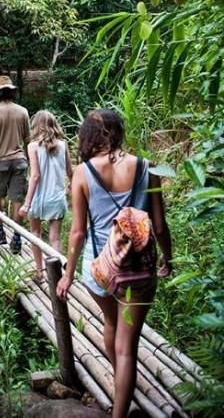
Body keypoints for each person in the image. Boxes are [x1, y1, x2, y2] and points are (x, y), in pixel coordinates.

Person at [55, 109, 173, 418]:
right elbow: (159, 227)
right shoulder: (148, 168)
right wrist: (168, 258)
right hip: (137, 276)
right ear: (119, 132)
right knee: (127, 346)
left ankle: (119, 381)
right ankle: (122, 395)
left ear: (88, 137)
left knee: (110, 322)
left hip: (100, 272)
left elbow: (78, 231)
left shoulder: (82, 173)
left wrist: (67, 275)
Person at [18, 110, 73, 282]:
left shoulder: (33, 146)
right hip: (57, 198)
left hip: (38, 199)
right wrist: (71, 186)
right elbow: (70, 172)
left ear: (36, 125)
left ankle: (40, 272)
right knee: (55, 238)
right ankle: (58, 275)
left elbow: (35, 176)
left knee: (35, 234)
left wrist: (26, 203)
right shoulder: (63, 145)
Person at [0, 75, 30, 254]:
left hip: (0, 162)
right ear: (12, 91)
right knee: (17, 199)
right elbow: (28, 140)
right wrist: (30, 162)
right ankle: (17, 236)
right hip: (19, 161)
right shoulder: (22, 111)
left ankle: (0, 231)